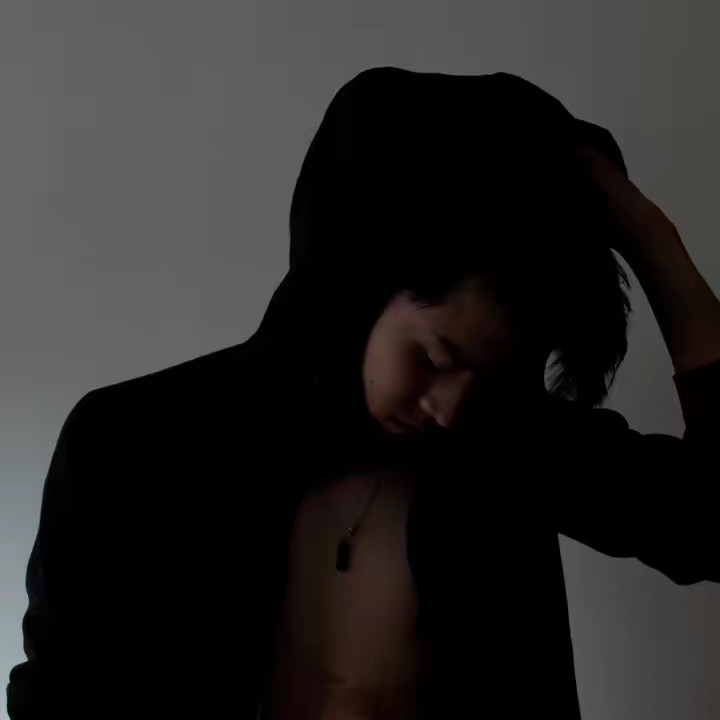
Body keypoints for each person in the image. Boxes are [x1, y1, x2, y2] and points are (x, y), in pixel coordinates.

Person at [6, 67, 720, 720]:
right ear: (365, 286)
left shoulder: (504, 445)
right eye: (436, 356)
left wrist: (652, 240)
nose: (449, 404)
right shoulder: (133, 444)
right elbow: (56, 703)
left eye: (489, 378)